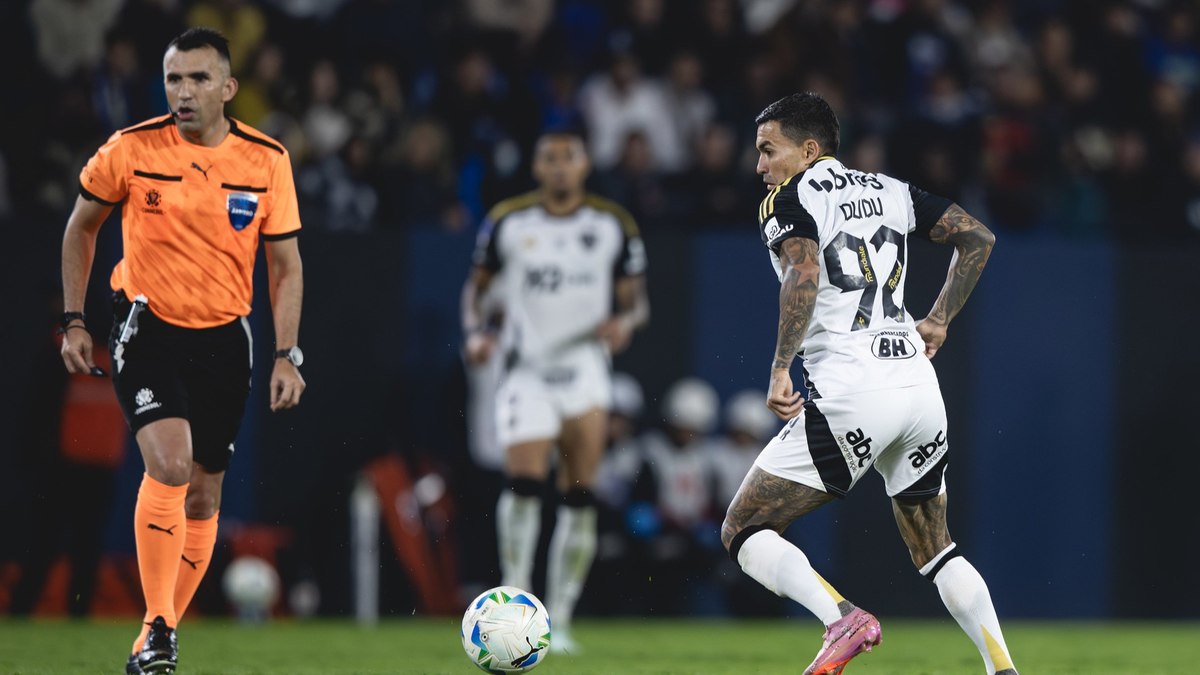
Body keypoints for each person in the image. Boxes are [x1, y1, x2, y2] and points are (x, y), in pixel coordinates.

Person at [720, 92, 1018, 675]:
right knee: (937, 549)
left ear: (809, 149)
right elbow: (978, 238)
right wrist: (938, 318)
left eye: (769, 150)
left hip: (853, 388)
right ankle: (1002, 668)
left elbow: (804, 270)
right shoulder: (890, 190)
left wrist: (780, 367)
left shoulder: (790, 197)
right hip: (918, 387)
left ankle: (842, 619)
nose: (760, 166)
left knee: (744, 528)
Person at [59, 27, 305, 674]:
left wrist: (287, 353)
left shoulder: (266, 159)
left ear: (228, 87)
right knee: (169, 465)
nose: (184, 92)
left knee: (202, 496)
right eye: (174, 79)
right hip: (148, 326)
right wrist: (74, 319)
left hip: (226, 337)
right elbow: (81, 227)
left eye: (199, 78)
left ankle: (155, 637)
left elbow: (285, 264)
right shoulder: (131, 148)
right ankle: (159, 628)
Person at [461, 129, 649, 653]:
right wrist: (475, 334)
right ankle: (514, 604)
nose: (560, 166)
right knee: (523, 485)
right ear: (537, 166)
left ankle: (560, 619)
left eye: (570, 157)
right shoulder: (508, 221)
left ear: (585, 164)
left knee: (579, 496)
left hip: (585, 367)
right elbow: (475, 289)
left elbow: (636, 302)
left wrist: (625, 323)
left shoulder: (612, 225)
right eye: (550, 157)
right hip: (527, 368)